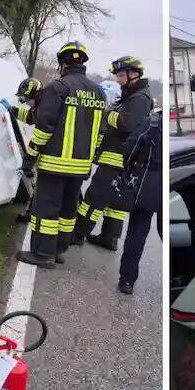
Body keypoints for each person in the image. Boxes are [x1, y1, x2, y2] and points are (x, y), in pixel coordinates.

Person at [17, 41, 105, 269]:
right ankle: (59, 251)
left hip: (55, 164)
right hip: (80, 167)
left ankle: (42, 253)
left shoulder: (57, 88)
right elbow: (100, 133)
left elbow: (44, 128)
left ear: (62, 63)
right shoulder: (99, 93)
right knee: (68, 210)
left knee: (46, 209)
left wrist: (30, 158)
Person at [72, 56, 154, 251]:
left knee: (94, 198)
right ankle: (109, 238)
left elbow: (127, 123)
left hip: (116, 158)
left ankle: (77, 234)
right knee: (114, 203)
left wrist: (107, 114)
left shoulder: (139, 98)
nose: (117, 79)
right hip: (119, 158)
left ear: (133, 74)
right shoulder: (133, 95)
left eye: (120, 75)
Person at [117, 109, 162, 294]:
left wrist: (128, 172)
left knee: (137, 232)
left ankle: (127, 280)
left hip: (147, 182)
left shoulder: (152, 122)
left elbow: (131, 148)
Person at [8, 77, 43, 223]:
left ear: (34, 95)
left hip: (57, 158)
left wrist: (30, 160)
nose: (26, 103)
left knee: (43, 189)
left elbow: (41, 135)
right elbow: (30, 117)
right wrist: (12, 110)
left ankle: (34, 216)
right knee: (41, 187)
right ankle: (31, 214)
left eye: (26, 99)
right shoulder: (44, 105)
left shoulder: (47, 107)